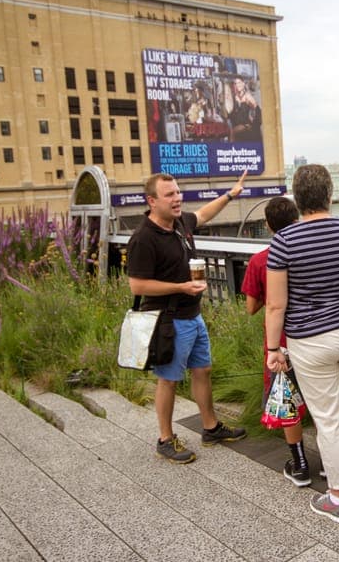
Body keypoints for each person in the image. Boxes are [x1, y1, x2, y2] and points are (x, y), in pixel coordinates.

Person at [264, 164, 339, 523]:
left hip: (311, 339)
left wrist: (274, 350)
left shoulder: (284, 242)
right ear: (330, 195)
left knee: (328, 419)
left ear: (297, 198)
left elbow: (276, 304)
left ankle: (338, 497)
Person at [127, 170, 249, 464]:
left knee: (202, 371)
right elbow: (138, 285)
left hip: (193, 316)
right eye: (169, 194)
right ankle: (165, 439)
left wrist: (231, 194)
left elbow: (204, 214)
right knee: (168, 380)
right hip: (169, 320)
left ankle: (211, 428)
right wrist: (181, 287)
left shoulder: (180, 224)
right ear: (152, 201)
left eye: (178, 192)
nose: (177, 198)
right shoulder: (144, 238)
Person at [240, 196, 311, 486]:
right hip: (315, 336)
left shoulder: (260, 261)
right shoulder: (311, 252)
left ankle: (300, 464)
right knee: (325, 398)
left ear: (268, 226)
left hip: (279, 343)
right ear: (296, 218)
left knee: (287, 401)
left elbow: (251, 307)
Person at [224, 76, 262, 142]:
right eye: (235, 83)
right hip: (236, 125)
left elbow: (258, 111)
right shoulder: (234, 97)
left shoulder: (247, 96)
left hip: (245, 124)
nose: (237, 85)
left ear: (243, 84)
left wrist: (252, 124)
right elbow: (230, 113)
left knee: (232, 132)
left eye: (239, 83)